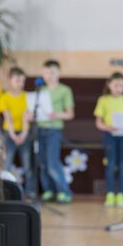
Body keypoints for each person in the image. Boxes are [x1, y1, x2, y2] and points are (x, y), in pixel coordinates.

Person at [38, 60, 74, 204]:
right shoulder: (40, 90)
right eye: (46, 73)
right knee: (43, 163)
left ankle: (64, 191)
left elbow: (70, 114)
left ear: (59, 73)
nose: (49, 75)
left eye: (52, 72)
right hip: (39, 129)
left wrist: (57, 114)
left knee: (53, 162)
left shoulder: (65, 90)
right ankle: (48, 190)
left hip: (54, 129)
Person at [94, 72, 123, 207]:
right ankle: (110, 194)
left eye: (121, 85)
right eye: (115, 84)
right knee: (111, 165)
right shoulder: (103, 100)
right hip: (109, 136)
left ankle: (121, 195)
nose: (118, 87)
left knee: (122, 166)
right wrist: (107, 127)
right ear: (109, 84)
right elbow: (98, 122)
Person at [0, 67, 35, 199]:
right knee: (7, 163)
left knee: (27, 164)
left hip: (24, 133)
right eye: (17, 80)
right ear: (10, 80)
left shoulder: (27, 96)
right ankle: (5, 190)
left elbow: (27, 117)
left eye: (23, 81)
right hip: (9, 133)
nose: (20, 83)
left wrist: (24, 133)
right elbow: (7, 117)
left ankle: (30, 191)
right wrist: (13, 135)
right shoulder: (4, 97)